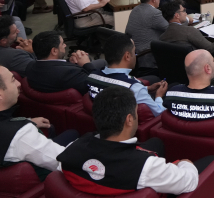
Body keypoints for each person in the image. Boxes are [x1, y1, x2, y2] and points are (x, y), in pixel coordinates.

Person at [58, 85, 201, 195]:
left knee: (156, 143)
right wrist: (184, 163)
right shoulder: (147, 167)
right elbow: (189, 182)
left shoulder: (71, 150)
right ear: (129, 119)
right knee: (209, 161)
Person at [0, 64, 77, 177]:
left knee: (52, 129)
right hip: (45, 179)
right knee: (73, 134)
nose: (19, 83)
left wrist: (27, 121)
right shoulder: (21, 135)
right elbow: (66, 160)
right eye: (13, 80)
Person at [87, 34, 167, 117]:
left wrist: (147, 88)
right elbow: (159, 112)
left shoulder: (92, 76)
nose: (135, 56)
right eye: (134, 52)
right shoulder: (134, 87)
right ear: (127, 56)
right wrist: (159, 96)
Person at [25, 31, 106, 94]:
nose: (65, 46)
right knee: (103, 62)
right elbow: (98, 85)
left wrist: (68, 61)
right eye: (62, 43)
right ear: (54, 51)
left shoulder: (30, 66)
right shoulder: (71, 74)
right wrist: (86, 64)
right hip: (79, 102)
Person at [124, 0, 169, 73]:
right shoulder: (154, 13)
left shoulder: (135, 9)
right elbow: (171, 29)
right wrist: (185, 19)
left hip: (135, 54)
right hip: (148, 58)